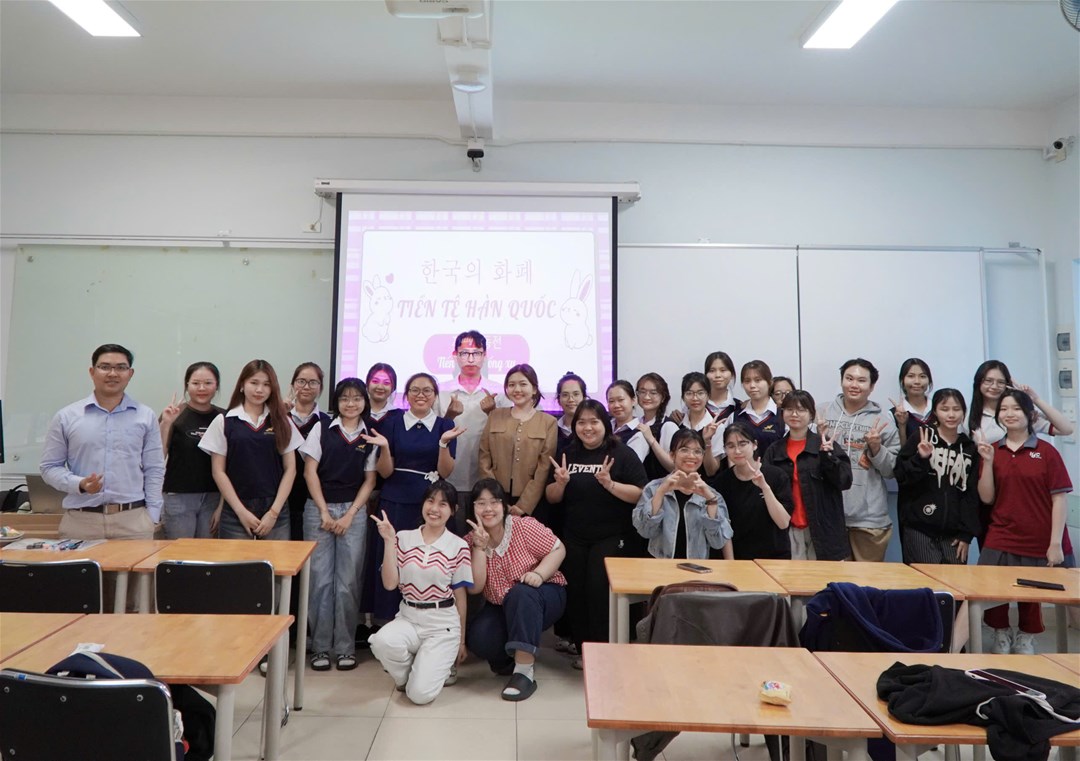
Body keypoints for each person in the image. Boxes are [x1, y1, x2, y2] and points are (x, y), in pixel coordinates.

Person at [546, 399, 648, 665]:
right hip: (574, 536)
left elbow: (640, 494)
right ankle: (584, 649)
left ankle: (603, 651)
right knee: (577, 592)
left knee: (598, 590)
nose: (587, 428)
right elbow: (551, 497)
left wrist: (610, 484)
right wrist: (560, 483)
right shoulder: (567, 453)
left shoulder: (621, 454)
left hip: (612, 536)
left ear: (605, 424)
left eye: (594, 422)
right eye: (581, 422)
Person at [976, 389, 1072, 654]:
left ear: (1030, 414)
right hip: (1001, 533)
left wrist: (1055, 543)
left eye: (1016, 408)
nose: (1010, 414)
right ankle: (1000, 632)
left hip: (1037, 535)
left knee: (1032, 589)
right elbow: (987, 498)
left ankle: (1027, 636)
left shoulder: (1047, 452)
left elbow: (1060, 499)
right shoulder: (993, 450)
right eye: (1004, 409)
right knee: (990, 585)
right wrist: (988, 462)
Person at [363, 372, 465, 621]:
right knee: (393, 558)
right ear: (406, 395)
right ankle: (388, 622)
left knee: (429, 563)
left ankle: (429, 621)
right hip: (395, 500)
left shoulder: (445, 426)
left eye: (427, 390)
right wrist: (384, 447)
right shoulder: (392, 423)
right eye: (414, 390)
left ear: (435, 396)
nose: (421, 395)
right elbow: (385, 472)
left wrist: (443, 444)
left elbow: (445, 472)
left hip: (432, 505)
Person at [41, 343, 165, 540]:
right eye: (105, 367)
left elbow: (154, 468)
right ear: (92, 372)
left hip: (133, 521)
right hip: (81, 522)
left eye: (121, 367)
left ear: (130, 373)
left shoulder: (145, 416)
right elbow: (49, 467)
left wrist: (153, 515)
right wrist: (79, 484)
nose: (112, 373)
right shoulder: (67, 417)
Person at [369, 480, 472, 704]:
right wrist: (389, 541)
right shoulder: (403, 538)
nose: (434, 509)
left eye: (443, 504)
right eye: (430, 501)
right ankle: (411, 674)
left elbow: (460, 596)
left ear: (453, 510)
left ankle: (427, 670)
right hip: (409, 617)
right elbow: (390, 584)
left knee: (419, 696)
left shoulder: (459, 546)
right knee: (382, 642)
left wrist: (462, 641)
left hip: (442, 624)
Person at [300, 377, 378, 671]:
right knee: (319, 581)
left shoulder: (370, 433)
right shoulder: (322, 428)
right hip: (317, 510)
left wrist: (350, 515)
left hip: (353, 512)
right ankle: (320, 647)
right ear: (337, 402)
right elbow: (309, 472)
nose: (350, 403)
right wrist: (324, 512)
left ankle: (345, 648)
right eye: (345, 398)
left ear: (364, 401)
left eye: (357, 398)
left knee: (348, 582)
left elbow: (370, 480)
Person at [464, 479, 567, 701]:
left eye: (494, 502)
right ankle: (512, 658)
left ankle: (524, 672)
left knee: (521, 593)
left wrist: (539, 574)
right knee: (480, 638)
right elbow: (476, 588)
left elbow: (558, 548)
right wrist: (479, 547)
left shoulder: (523, 526)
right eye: (481, 503)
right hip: (502, 605)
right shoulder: (470, 541)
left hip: (543, 594)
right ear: (473, 508)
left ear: (504, 506)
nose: (488, 508)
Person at [198, 359, 304, 540]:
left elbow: (291, 469)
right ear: (242, 385)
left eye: (266, 384)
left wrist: (274, 513)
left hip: (275, 509)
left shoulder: (282, 421)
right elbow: (218, 471)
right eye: (254, 383)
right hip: (236, 509)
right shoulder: (224, 421)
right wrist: (240, 512)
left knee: (277, 559)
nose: (259, 390)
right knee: (237, 560)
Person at [820, 358, 900, 562]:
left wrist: (876, 448)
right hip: (829, 517)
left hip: (869, 520)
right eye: (849, 378)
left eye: (861, 380)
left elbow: (892, 471)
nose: (854, 385)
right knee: (830, 579)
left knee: (866, 580)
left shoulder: (883, 421)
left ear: (872, 386)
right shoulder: (821, 413)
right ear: (841, 381)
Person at [762, 391, 853, 561]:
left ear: (811, 414)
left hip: (822, 529)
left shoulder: (824, 445)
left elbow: (844, 481)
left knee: (823, 576)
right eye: (789, 409)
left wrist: (828, 457)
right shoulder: (774, 450)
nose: (794, 414)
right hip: (787, 528)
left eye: (801, 409)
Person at [894, 388, 980, 565]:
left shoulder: (969, 447)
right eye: (944, 409)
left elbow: (971, 493)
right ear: (935, 411)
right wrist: (921, 458)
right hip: (920, 528)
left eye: (956, 409)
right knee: (924, 580)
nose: (951, 415)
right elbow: (901, 476)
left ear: (964, 412)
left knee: (953, 581)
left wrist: (966, 534)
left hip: (955, 534)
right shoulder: (922, 436)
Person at [633, 429, 732, 559]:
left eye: (697, 451)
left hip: (696, 566)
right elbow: (645, 531)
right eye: (684, 450)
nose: (691, 456)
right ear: (672, 455)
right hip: (659, 564)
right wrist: (660, 493)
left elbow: (718, 542)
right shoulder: (654, 488)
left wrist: (711, 502)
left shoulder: (712, 494)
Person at [477, 364, 557, 517]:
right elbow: (484, 458)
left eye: (523, 384)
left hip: (532, 501)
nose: (517, 389)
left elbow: (544, 467)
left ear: (534, 389)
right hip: (496, 497)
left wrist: (524, 505)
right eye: (511, 385)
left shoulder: (548, 422)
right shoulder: (495, 415)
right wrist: (497, 499)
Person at [158, 361, 224, 539]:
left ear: (216, 385)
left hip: (214, 497)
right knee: (180, 552)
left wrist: (222, 506)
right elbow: (158, 457)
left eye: (208, 383)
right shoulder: (174, 414)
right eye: (195, 383)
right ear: (187, 385)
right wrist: (166, 423)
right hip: (178, 496)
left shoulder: (224, 417)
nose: (201, 388)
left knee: (207, 552)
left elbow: (231, 466)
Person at [436, 330, 501, 502]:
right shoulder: (440, 391)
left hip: (487, 475)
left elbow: (506, 435)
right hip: (448, 476)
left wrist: (492, 413)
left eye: (476, 353)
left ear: (485, 355)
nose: (470, 359)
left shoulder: (499, 391)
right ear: (455, 355)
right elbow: (432, 434)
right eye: (464, 353)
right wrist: (449, 416)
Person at [712, 422, 793, 560]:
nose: (737, 451)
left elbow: (783, 523)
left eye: (742, 444)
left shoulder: (777, 476)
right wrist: (731, 563)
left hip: (774, 558)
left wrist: (764, 487)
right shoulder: (722, 481)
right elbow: (723, 527)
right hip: (739, 558)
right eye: (730, 446)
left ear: (754, 445)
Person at [969, 360, 1074, 444]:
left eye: (1001, 382)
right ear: (978, 382)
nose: (994, 386)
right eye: (988, 381)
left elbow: (1066, 429)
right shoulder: (969, 415)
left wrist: (1035, 399)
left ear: (1007, 384)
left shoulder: (1020, 414)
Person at [286, 362, 331, 541]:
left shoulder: (327, 423)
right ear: (292, 385)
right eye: (301, 381)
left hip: (314, 498)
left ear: (320, 387)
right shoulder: (279, 418)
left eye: (313, 382)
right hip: (282, 497)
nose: (306, 387)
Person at [663, 372, 725, 476]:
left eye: (700, 393)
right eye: (689, 393)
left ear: (708, 396)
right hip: (678, 480)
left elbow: (711, 471)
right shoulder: (676, 423)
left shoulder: (717, 427)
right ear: (683, 397)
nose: (695, 398)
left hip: (704, 483)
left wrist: (707, 442)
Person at [669, 351, 742, 426]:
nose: (717, 375)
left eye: (723, 370)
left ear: (732, 374)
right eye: (712, 371)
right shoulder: (694, 404)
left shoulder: (740, 407)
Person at [733, 360, 785, 456]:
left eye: (758, 380)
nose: (752, 386)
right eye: (747, 381)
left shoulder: (783, 416)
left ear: (770, 382)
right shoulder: (735, 417)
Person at [635, 372, 680, 480]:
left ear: (663, 397)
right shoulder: (636, 423)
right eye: (642, 392)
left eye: (653, 393)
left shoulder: (668, 426)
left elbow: (674, 467)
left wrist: (651, 440)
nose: (647, 397)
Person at [890, 358, 933, 447]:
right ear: (902, 381)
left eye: (922, 376)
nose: (917, 381)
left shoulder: (939, 409)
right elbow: (898, 451)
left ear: (929, 380)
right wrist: (902, 425)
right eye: (911, 376)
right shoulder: (893, 414)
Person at [606, 380, 648, 461]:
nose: (616, 405)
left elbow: (630, 465)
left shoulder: (638, 434)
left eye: (621, 400)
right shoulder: (605, 426)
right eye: (611, 401)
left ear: (633, 400)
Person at [553, 371, 587, 456]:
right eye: (565, 395)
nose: (571, 399)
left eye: (576, 394)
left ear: (584, 398)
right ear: (559, 400)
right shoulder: (552, 429)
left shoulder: (592, 428)